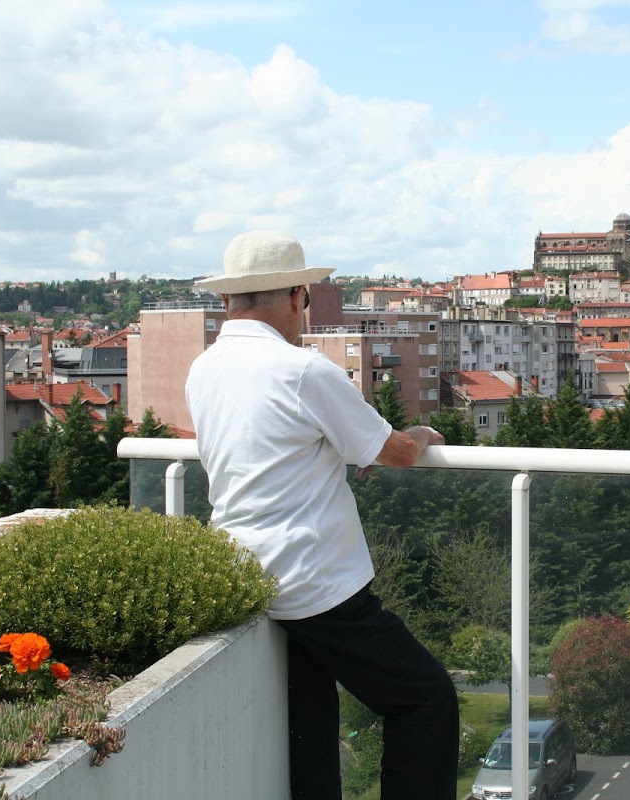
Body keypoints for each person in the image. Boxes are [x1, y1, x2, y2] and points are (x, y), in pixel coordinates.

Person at [185, 230, 458, 799]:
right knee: (425, 698)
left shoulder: (204, 370)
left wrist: (333, 449)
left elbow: (270, 445)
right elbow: (399, 453)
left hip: (242, 569)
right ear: (294, 296)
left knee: (309, 721)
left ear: (228, 302)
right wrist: (423, 432)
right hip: (313, 581)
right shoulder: (303, 371)